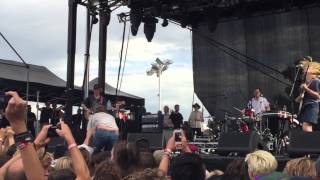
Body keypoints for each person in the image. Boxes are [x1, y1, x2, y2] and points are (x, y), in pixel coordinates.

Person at [295, 60, 320, 132]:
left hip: (312, 106)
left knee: (307, 128)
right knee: (304, 128)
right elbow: (299, 99)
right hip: (305, 107)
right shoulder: (306, 83)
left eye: (307, 68)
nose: (304, 70)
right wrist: (301, 95)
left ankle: (311, 143)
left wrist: (306, 88)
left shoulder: (316, 81)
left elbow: (318, 96)